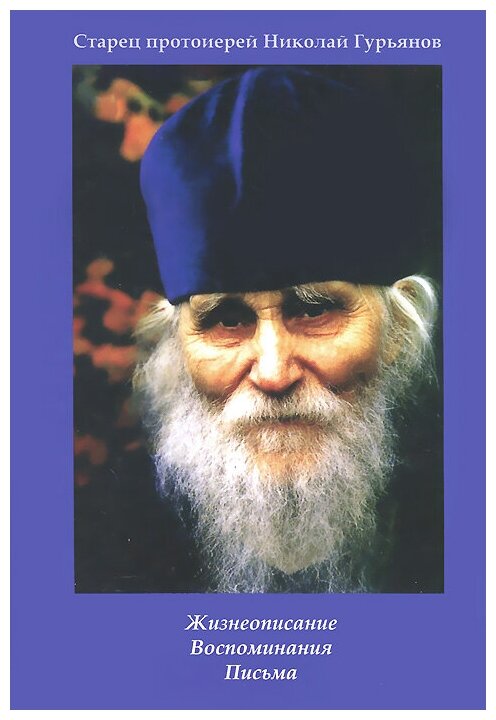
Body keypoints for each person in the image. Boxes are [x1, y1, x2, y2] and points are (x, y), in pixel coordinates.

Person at [128, 67, 443, 593]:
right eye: (227, 320)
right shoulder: (102, 543)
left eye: (315, 311)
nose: (273, 374)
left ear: (399, 330)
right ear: (176, 346)